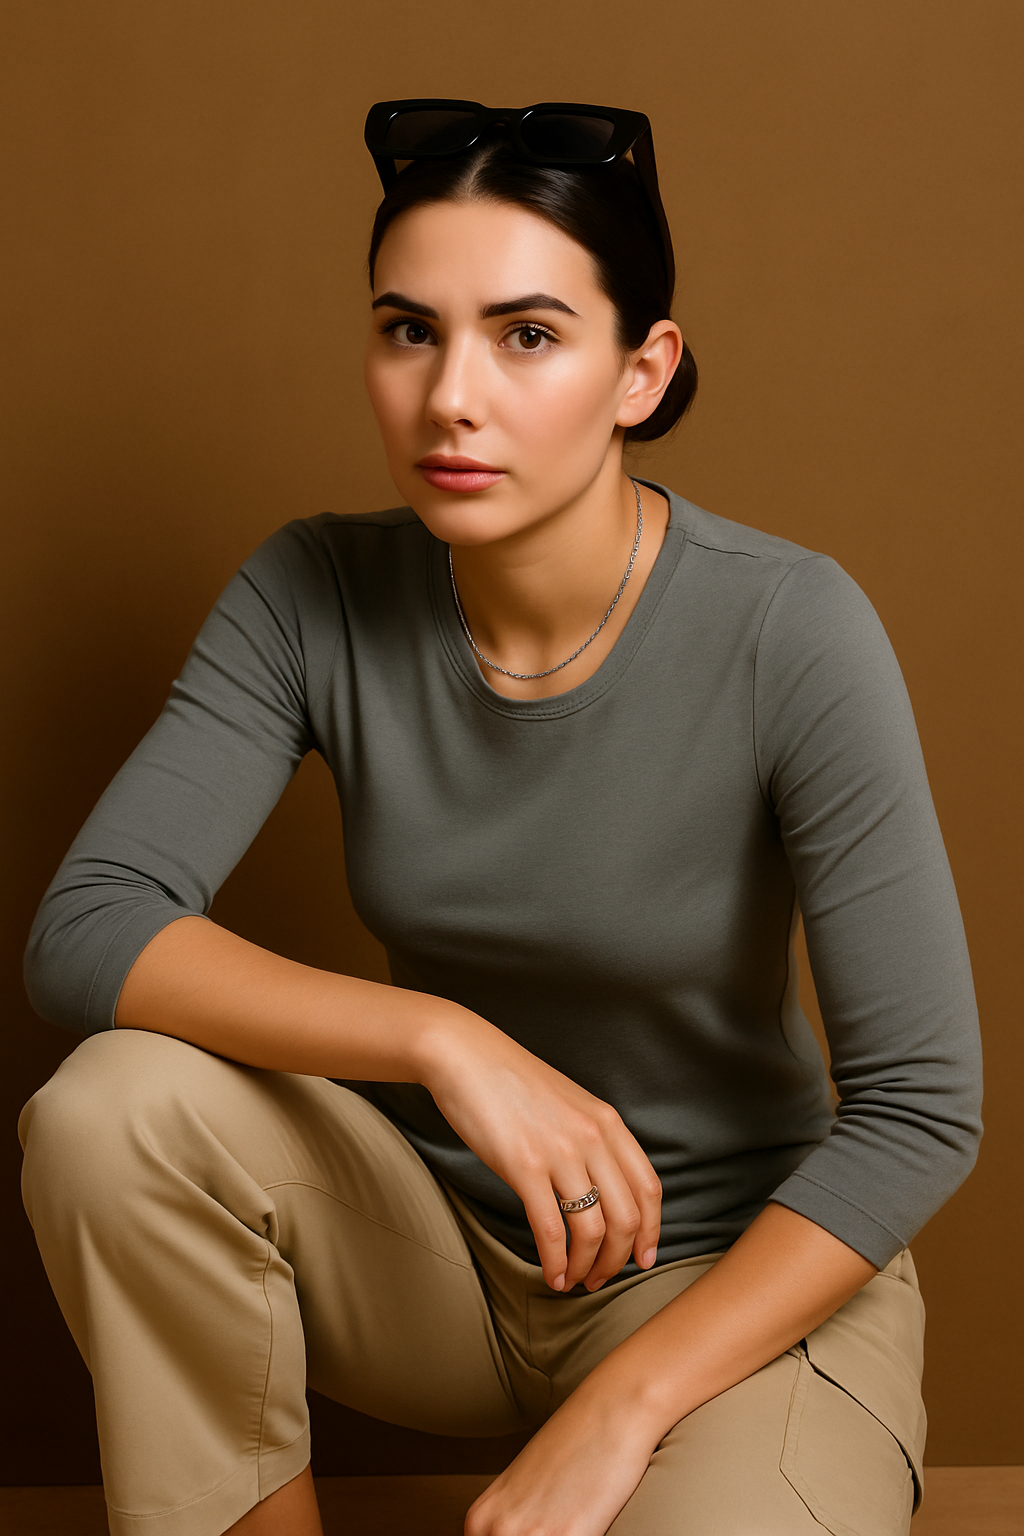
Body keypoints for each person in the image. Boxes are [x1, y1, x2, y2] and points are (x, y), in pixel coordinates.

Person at [19, 99, 983, 1536]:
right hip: (448, 1262)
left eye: (527, 335)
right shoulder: (314, 592)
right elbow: (90, 930)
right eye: (409, 329)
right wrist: (443, 1041)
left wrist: (627, 1404)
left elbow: (923, 1110)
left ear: (639, 371)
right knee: (109, 1114)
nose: (450, 395)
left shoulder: (791, 625)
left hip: (729, 1290)